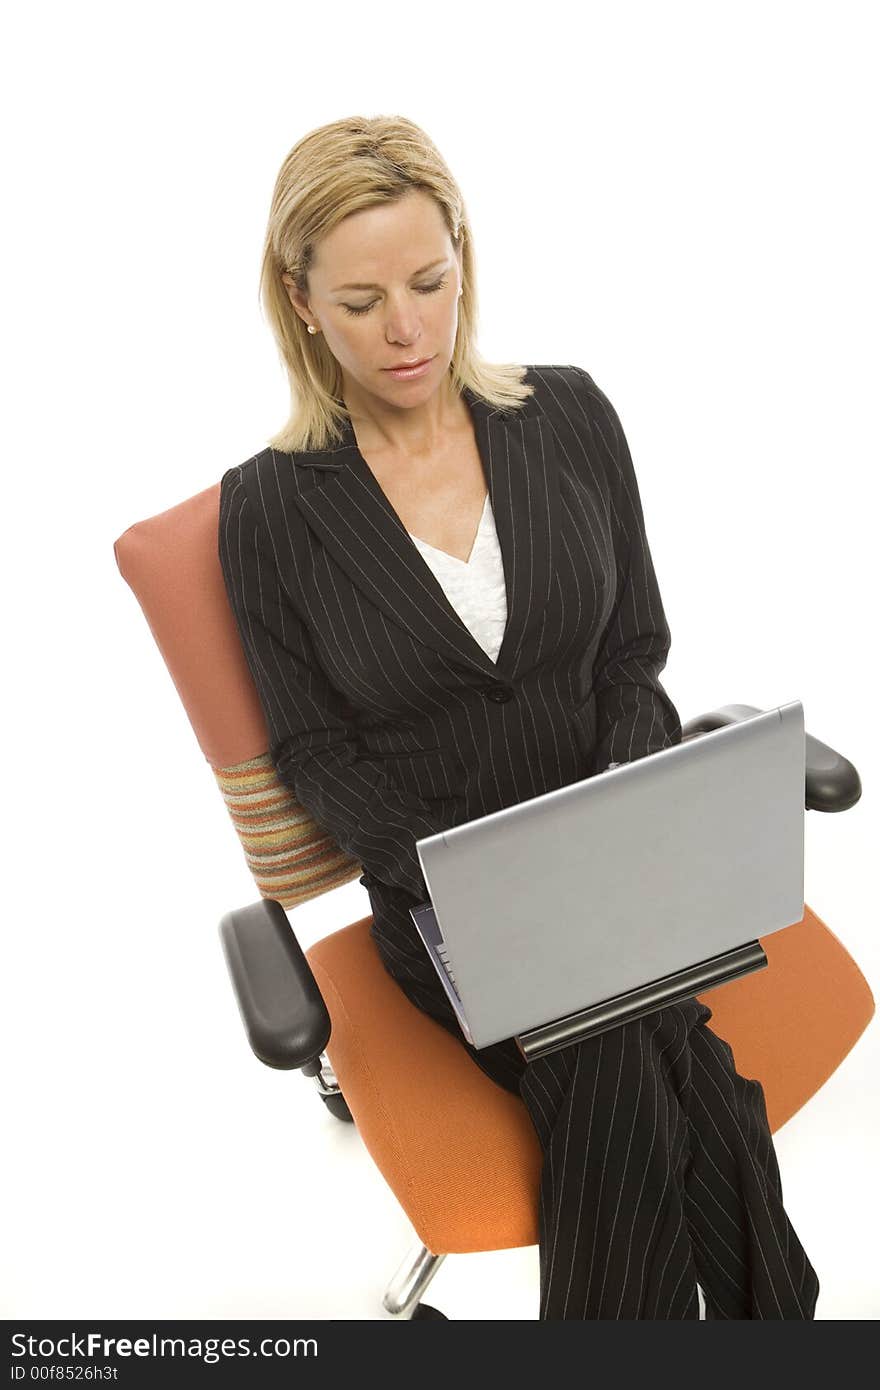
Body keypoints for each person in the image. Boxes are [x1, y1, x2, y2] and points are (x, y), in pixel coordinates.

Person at [218, 114, 820, 1319]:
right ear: (298, 301)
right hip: (450, 905)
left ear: (463, 261)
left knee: (632, 1063)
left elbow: (633, 650)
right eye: (362, 299)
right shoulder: (271, 508)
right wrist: (467, 876)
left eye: (431, 283)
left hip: (622, 869)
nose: (406, 330)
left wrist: (622, 812)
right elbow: (316, 753)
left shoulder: (571, 415)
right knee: (647, 1069)